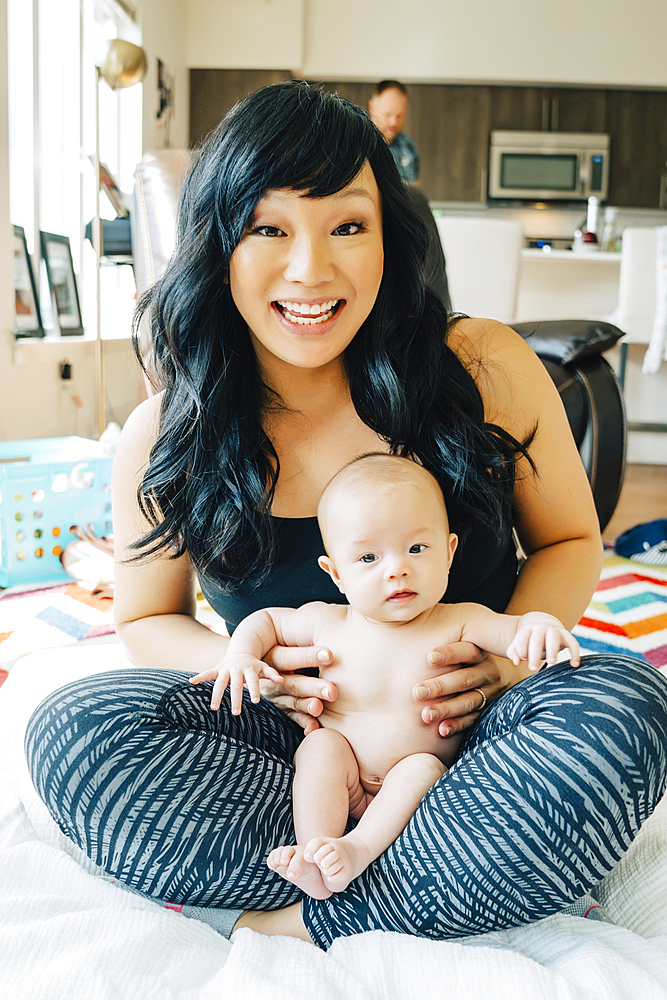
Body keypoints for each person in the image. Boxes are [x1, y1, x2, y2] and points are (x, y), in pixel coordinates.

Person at [25, 82, 667, 951]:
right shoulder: (168, 429)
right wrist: (257, 674)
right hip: (294, 743)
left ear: (388, 236)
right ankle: (421, 873)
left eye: (346, 226)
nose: (309, 272)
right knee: (74, 731)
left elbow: (566, 538)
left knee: (627, 701)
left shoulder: (479, 364)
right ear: (219, 243)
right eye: (269, 229)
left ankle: (319, 910)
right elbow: (146, 617)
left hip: (474, 731)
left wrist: (510, 662)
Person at [191, 453, 581, 900]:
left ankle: (357, 849)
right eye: (369, 557)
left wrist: (541, 625)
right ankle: (315, 850)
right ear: (336, 573)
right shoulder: (328, 622)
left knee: (422, 767)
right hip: (347, 775)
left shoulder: (459, 620)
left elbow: (515, 629)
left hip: (417, 791)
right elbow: (265, 622)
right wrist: (240, 656)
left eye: (417, 548)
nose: (396, 568)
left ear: (449, 551)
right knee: (320, 747)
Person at [368, 80, 420, 183]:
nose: (394, 122)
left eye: (399, 115)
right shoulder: (360, 146)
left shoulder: (408, 145)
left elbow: (415, 186)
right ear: (372, 106)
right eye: (387, 114)